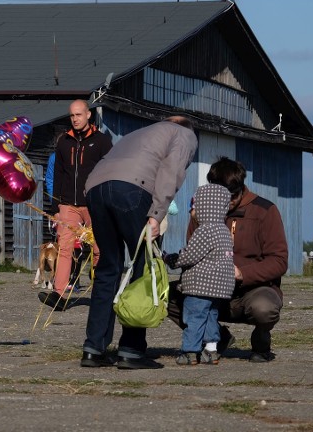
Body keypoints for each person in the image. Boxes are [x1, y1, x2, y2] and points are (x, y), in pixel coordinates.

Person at [80, 115, 197, 370]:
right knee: (144, 268)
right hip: (132, 190)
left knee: (108, 269)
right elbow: (171, 171)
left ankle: (93, 348)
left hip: (96, 189)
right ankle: (131, 351)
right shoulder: (185, 134)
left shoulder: (140, 133)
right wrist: (157, 214)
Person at [167, 157, 289, 363]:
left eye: (230, 196)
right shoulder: (202, 213)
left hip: (250, 290)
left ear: (240, 189)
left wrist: (242, 273)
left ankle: (261, 339)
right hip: (209, 290)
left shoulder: (265, 210)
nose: (224, 201)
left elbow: (279, 261)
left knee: (264, 308)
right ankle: (217, 340)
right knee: (165, 296)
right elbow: (192, 252)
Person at [40, 99, 113, 307]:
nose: (75, 119)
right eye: (72, 115)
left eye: (79, 115)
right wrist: (55, 208)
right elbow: (60, 175)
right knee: (64, 248)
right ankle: (59, 294)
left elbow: (109, 171)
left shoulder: (102, 141)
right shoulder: (64, 141)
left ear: (88, 115)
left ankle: (102, 291)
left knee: (100, 248)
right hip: (68, 204)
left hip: (94, 203)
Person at [164, 183, 236, 366]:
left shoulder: (204, 230)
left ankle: (190, 351)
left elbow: (189, 256)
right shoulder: (224, 230)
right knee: (210, 317)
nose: (192, 211)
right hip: (219, 287)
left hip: (200, 285)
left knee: (194, 318)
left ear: (206, 206)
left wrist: (171, 259)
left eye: (195, 207)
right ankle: (211, 351)